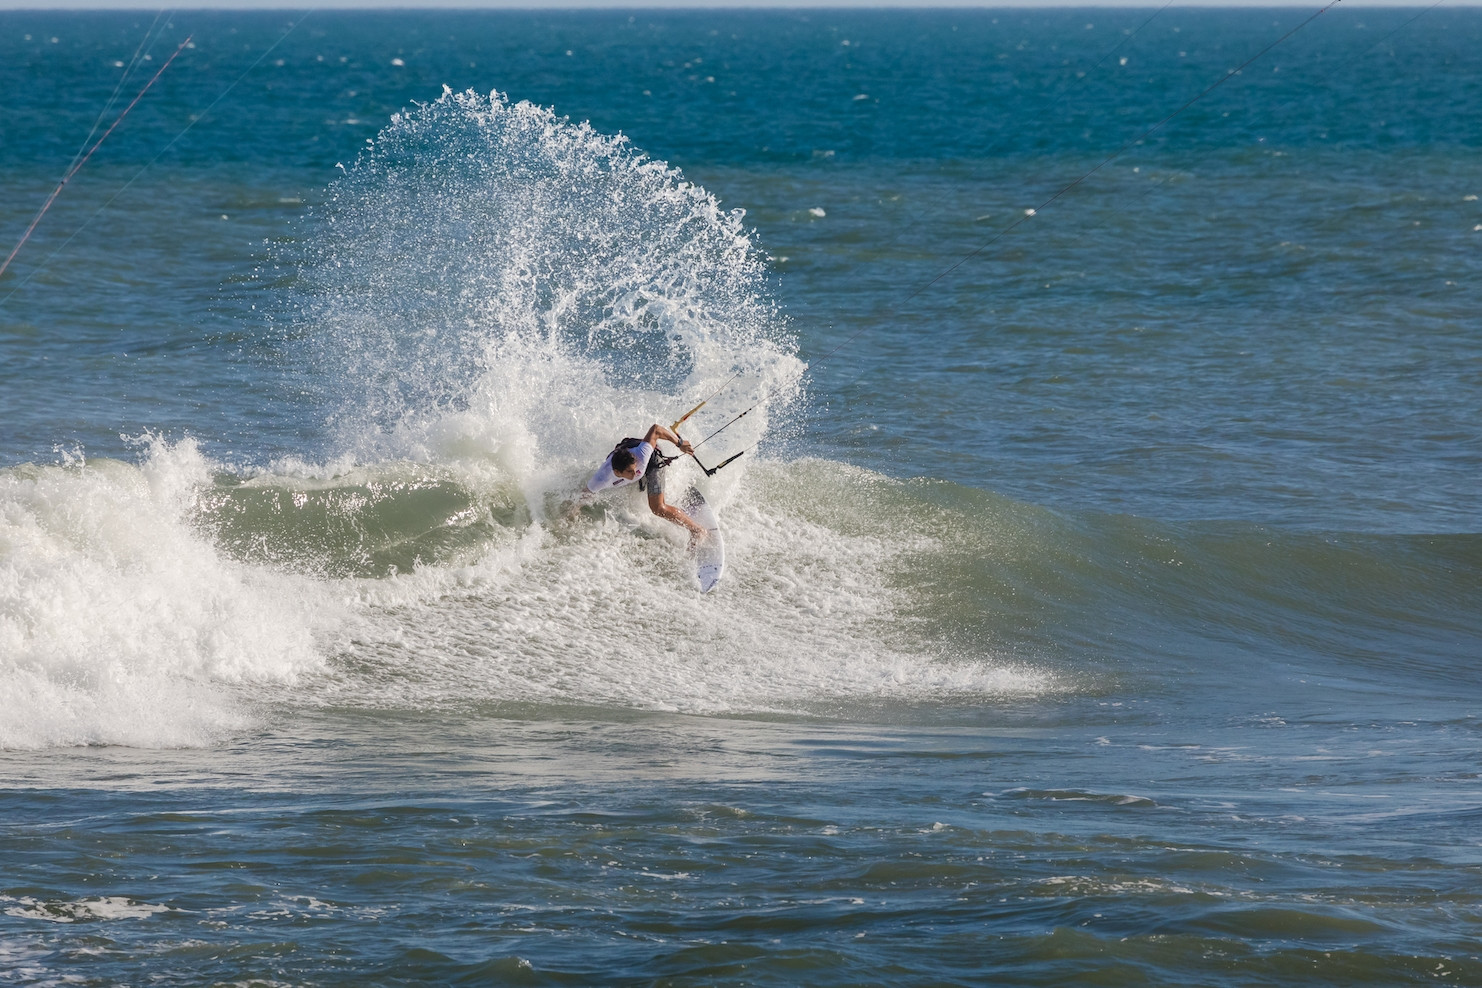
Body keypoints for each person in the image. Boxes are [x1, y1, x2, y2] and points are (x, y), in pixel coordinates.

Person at [582, 422, 707, 541]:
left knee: (657, 508)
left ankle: (697, 530)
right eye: (630, 471)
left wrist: (679, 444)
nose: (635, 473)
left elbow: (656, 429)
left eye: (635, 469)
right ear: (617, 473)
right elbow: (585, 494)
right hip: (625, 456)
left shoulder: (641, 455)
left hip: (652, 461)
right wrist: (573, 513)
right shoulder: (602, 478)